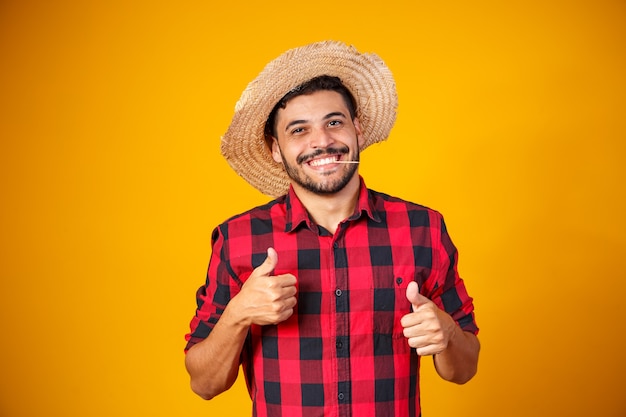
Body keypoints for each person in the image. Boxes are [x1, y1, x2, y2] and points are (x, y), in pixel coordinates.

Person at [184, 41, 480, 417]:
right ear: (276, 149)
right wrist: (238, 313)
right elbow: (204, 384)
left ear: (356, 129)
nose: (321, 141)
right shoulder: (238, 239)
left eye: (334, 122)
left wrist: (447, 335)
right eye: (299, 130)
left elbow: (464, 369)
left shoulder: (422, 228)